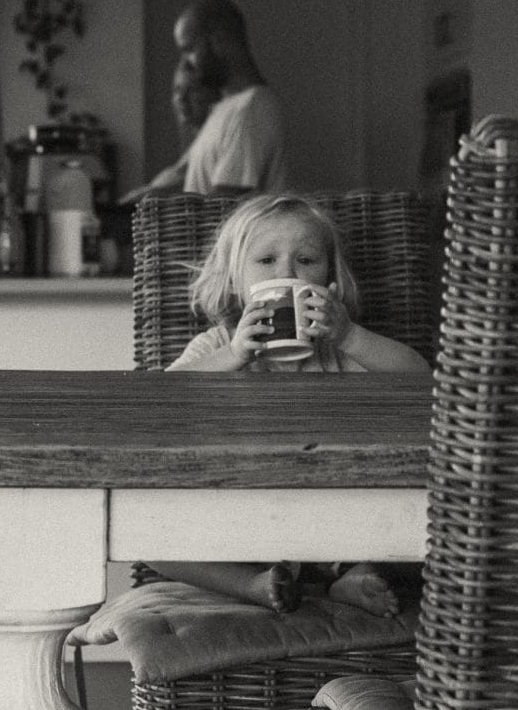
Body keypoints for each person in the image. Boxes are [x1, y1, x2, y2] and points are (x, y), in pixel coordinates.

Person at [156, 194, 429, 612]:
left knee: (404, 516)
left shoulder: (343, 350)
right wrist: (235, 356)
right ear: (235, 280)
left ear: (330, 279)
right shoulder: (217, 346)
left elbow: (420, 382)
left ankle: (351, 574)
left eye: (306, 260)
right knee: (152, 541)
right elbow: (159, 401)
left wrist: (349, 335)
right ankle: (252, 585)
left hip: (331, 509)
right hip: (238, 512)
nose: (287, 274)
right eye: (266, 261)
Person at [174, 0, 289, 196]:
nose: (186, 63)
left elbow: (225, 203)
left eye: (189, 49)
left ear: (219, 40)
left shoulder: (251, 108)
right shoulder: (226, 107)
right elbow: (183, 174)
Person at [119, 56, 221, 204]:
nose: (182, 98)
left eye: (192, 90)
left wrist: (127, 204)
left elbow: (171, 182)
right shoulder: (197, 141)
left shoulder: (215, 136)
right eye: (177, 90)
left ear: (213, 94)